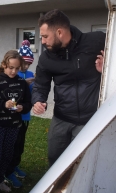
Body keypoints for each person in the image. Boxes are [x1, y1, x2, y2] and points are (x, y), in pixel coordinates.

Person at [32, 9, 105, 166]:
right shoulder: (46, 58)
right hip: (61, 118)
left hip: (89, 120)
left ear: (59, 32)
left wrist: (109, 68)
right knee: (54, 160)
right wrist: (38, 100)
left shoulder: (96, 41)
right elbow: (40, 84)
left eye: (45, 36)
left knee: (81, 164)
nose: (42, 41)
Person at [0, 50, 32, 193]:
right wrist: (3, 104)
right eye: (11, 67)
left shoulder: (22, 83)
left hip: (14, 125)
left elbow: (28, 103)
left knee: (7, 155)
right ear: (4, 65)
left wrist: (23, 107)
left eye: (17, 68)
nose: (14, 71)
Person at [4, 40, 35, 188]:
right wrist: (24, 83)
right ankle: (8, 170)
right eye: (24, 64)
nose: (26, 67)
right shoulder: (15, 75)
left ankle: (15, 165)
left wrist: (33, 84)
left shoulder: (30, 74)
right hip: (13, 118)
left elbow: (31, 96)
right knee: (12, 145)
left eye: (28, 64)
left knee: (20, 145)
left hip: (25, 116)